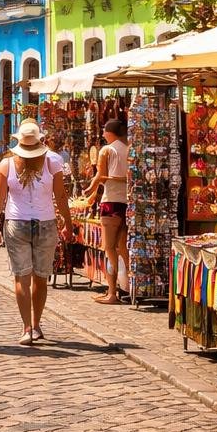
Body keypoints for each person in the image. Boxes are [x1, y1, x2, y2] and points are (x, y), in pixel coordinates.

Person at [0, 120, 73, 344]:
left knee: (22, 277)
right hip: (46, 222)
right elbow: (61, 196)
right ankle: (36, 325)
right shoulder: (52, 162)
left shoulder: (6, 165)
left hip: (16, 223)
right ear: (40, 140)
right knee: (41, 277)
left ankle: (26, 328)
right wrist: (68, 222)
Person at [91, 118, 130, 305]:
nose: (103, 135)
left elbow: (100, 176)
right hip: (127, 202)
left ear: (109, 132)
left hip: (111, 202)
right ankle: (127, 286)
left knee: (108, 247)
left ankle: (113, 291)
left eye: (104, 131)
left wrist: (90, 191)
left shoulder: (106, 150)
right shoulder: (128, 148)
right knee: (123, 247)